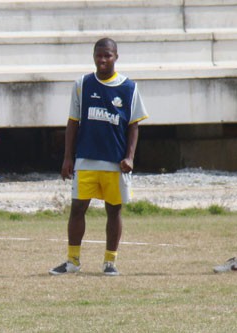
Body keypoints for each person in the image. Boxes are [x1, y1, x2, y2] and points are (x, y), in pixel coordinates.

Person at [49, 38, 148, 276]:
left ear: (116, 57)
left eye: (107, 56)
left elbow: (134, 126)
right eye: (98, 55)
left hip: (115, 161)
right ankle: (72, 261)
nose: (102, 60)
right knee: (77, 209)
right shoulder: (82, 84)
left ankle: (110, 262)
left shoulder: (129, 88)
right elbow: (73, 122)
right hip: (86, 159)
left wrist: (130, 157)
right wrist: (67, 158)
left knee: (113, 210)